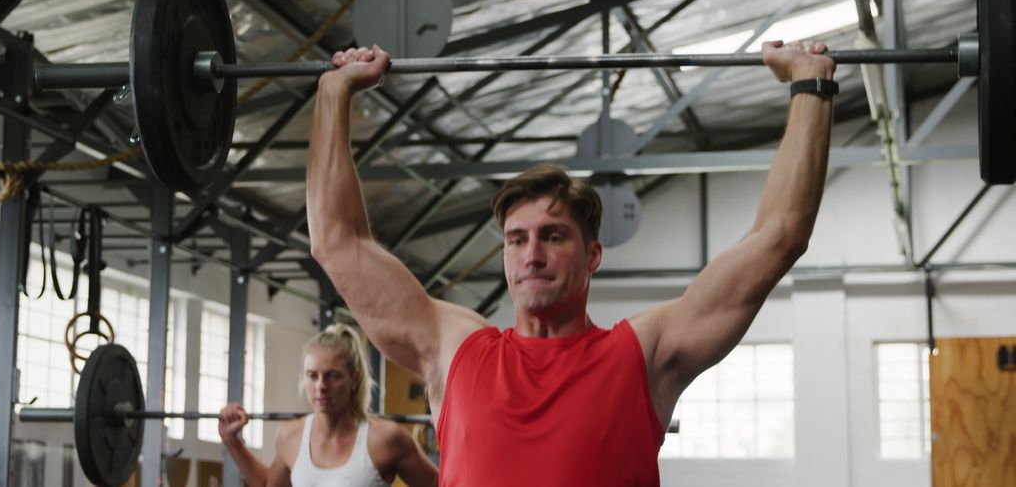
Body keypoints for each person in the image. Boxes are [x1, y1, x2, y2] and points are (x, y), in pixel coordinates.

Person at [307, 41, 836, 485]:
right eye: (516, 240)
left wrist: (810, 87)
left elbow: (779, 236)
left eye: (553, 236)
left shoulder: (643, 355)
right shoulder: (454, 348)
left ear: (594, 256)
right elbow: (337, 242)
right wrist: (334, 94)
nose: (531, 255)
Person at [217, 323, 439, 487]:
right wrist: (231, 440)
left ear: (355, 379)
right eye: (312, 376)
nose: (321, 386)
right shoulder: (290, 436)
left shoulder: (385, 439)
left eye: (333, 376)